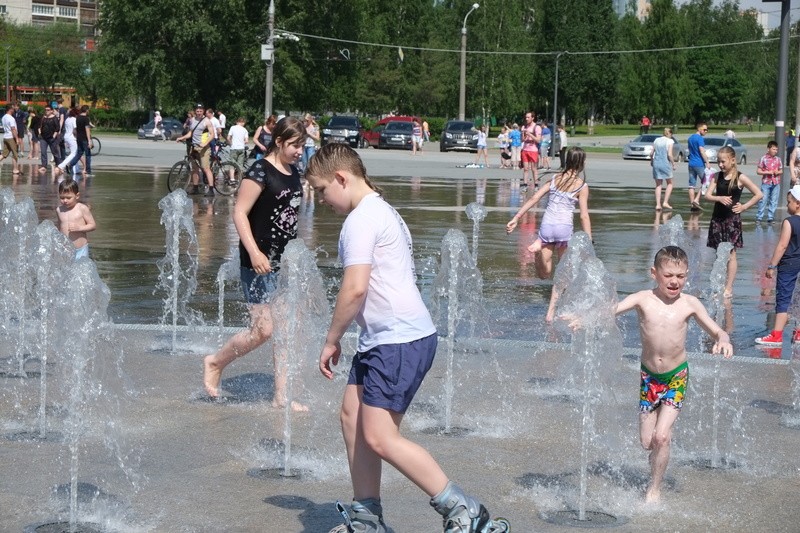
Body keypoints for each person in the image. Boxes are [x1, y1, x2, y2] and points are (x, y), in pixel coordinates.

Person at [305, 143, 509, 533]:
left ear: (341, 179)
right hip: (384, 339)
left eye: (320, 190)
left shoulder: (361, 220)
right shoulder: (381, 209)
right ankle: (367, 518)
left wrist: (332, 339)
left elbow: (354, 289)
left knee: (380, 436)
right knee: (352, 414)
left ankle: (464, 511)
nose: (321, 200)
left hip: (398, 341)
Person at [615, 245, 732, 503]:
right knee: (647, 442)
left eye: (680, 276)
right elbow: (608, 310)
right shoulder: (642, 299)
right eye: (668, 275)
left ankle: (654, 489)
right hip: (649, 378)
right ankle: (658, 452)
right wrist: (584, 318)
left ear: (687, 275)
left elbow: (717, 330)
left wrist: (724, 339)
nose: (674, 281)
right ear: (654, 273)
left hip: (676, 377)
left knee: (662, 436)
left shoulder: (690, 304)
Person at [202, 117, 306, 408]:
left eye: (303, 145)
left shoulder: (293, 171)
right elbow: (239, 213)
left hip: (284, 262)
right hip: (257, 261)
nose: (300, 151)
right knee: (263, 330)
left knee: (285, 327)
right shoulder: (260, 170)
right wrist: (255, 252)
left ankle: (281, 397)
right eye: (296, 145)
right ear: (280, 142)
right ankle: (215, 362)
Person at [506, 147, 591, 322]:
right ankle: (550, 314)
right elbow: (583, 215)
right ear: (581, 163)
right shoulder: (582, 186)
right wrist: (589, 238)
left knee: (544, 274)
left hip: (547, 227)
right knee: (562, 275)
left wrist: (516, 218)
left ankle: (538, 251)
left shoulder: (553, 180)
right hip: (564, 231)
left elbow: (533, 199)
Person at [704, 145, 763, 298]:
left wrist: (744, 207)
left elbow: (758, 194)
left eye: (723, 161)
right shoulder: (717, 176)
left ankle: (728, 287)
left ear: (733, 160)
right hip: (717, 219)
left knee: (731, 254)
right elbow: (707, 195)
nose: (721, 165)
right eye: (718, 161)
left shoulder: (740, 177)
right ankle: (719, 284)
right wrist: (719, 198)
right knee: (719, 254)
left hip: (732, 220)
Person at [756, 185, 800, 347]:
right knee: (797, 298)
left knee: (783, 299)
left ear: (797, 204)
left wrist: (771, 266)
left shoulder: (789, 222)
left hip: (788, 265)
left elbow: (782, 246)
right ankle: (799, 333)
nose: (787, 205)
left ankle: (777, 335)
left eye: (789, 202)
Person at [175, 104, 216, 196]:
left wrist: (205, 143)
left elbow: (212, 134)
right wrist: (181, 138)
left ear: (203, 111)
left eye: (200, 111)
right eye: (197, 111)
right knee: (194, 169)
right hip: (194, 147)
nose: (199, 113)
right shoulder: (192, 120)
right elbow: (190, 133)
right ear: (195, 111)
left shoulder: (207, 121)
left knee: (206, 169)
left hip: (203, 148)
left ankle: (211, 190)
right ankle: (195, 188)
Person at [56, 178, 97, 260]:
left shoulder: (82, 208)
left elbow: (93, 225)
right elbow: (59, 228)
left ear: (77, 196)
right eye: (62, 197)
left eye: (68, 198)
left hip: (80, 249)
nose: (65, 200)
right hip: (65, 249)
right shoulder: (59, 210)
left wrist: (80, 228)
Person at [755, 140, 783, 224]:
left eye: (776, 149)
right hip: (766, 182)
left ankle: (770, 217)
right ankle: (759, 217)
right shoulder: (763, 159)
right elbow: (758, 171)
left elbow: (781, 170)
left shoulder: (778, 159)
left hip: (776, 182)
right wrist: (767, 172)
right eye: (773, 149)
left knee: (774, 200)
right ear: (768, 149)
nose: (775, 151)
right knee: (763, 200)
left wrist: (777, 172)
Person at [686, 121, 710, 211]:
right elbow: (701, 151)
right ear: (699, 129)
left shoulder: (690, 138)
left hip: (691, 163)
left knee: (691, 184)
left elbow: (690, 150)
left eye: (707, 130)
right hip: (699, 163)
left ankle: (692, 203)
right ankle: (696, 200)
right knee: (706, 181)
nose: (706, 131)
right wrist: (707, 161)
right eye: (705, 129)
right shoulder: (699, 138)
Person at [651, 128, 676, 211]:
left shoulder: (656, 140)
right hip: (665, 163)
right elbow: (669, 154)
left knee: (658, 185)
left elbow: (651, 153)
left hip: (656, 163)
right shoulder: (670, 141)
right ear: (670, 134)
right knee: (670, 183)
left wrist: (652, 161)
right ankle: (665, 202)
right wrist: (673, 163)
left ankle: (658, 205)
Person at [55, 107, 79, 178]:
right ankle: (61, 165)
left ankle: (76, 169)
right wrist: (77, 137)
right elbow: (75, 130)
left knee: (75, 153)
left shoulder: (67, 119)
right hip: (72, 137)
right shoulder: (74, 119)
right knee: (74, 153)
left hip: (66, 136)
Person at [38, 105, 62, 172]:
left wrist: (54, 136)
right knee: (43, 152)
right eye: (45, 110)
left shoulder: (54, 118)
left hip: (51, 138)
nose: (46, 111)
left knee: (55, 152)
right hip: (43, 138)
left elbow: (57, 128)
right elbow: (39, 126)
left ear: (51, 111)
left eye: (48, 110)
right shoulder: (43, 117)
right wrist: (39, 133)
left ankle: (58, 165)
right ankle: (44, 166)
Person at [521, 112, 542, 188]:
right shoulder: (524, 126)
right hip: (525, 149)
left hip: (533, 150)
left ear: (532, 118)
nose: (526, 119)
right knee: (526, 168)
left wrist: (530, 134)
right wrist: (523, 134)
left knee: (534, 168)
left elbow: (538, 140)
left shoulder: (537, 127)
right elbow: (522, 140)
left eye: (528, 117)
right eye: (526, 117)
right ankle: (525, 184)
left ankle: (536, 184)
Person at [73, 105, 93, 177]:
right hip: (85, 138)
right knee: (88, 155)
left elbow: (76, 128)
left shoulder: (77, 118)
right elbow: (87, 130)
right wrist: (89, 140)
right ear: (87, 110)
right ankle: (88, 171)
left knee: (79, 153)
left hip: (79, 138)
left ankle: (70, 165)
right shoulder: (86, 119)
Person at [0, 106, 20, 174]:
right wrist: (17, 139)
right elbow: (13, 129)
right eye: (13, 108)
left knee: (4, 154)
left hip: (5, 137)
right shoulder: (11, 118)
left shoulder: (3, 117)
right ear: (10, 109)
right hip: (11, 137)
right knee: (15, 153)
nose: (14, 109)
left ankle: (15, 169)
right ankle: (15, 169)